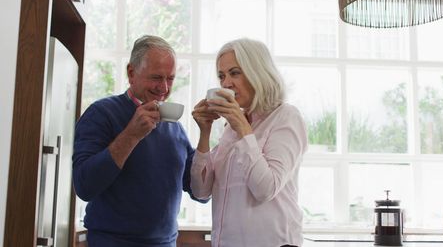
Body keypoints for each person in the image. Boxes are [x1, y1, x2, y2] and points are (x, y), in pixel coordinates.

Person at [72, 35, 205, 247]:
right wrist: (131, 135)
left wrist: (207, 133)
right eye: (156, 77)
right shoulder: (101, 113)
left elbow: (200, 192)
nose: (164, 87)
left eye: (170, 78)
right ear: (131, 73)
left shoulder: (174, 127)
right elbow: (84, 186)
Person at [190, 38, 308, 247]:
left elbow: (265, 188)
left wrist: (242, 128)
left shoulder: (286, 117)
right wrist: (205, 132)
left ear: (257, 72)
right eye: (221, 76)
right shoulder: (231, 129)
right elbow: (200, 191)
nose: (226, 83)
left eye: (235, 73)